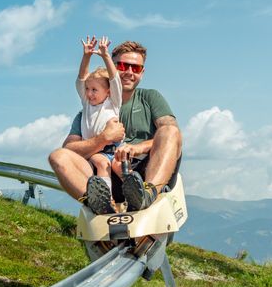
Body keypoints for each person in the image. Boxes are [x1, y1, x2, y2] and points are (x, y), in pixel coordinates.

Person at [48, 40, 182, 215]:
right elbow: (70, 149)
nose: (128, 72)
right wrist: (103, 138)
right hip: (105, 176)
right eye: (122, 65)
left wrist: (136, 148)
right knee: (57, 156)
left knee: (170, 131)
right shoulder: (87, 112)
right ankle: (98, 202)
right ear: (112, 65)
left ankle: (146, 194)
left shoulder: (150, 98)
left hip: (144, 170)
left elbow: (171, 133)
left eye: (135, 68)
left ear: (142, 72)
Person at [74, 35, 123, 214]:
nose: (90, 93)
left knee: (122, 167)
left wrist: (106, 56)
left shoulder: (113, 103)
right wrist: (86, 56)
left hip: (115, 148)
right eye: (88, 89)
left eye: (95, 90)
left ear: (108, 92)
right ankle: (106, 202)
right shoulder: (86, 104)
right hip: (95, 150)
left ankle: (136, 196)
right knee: (102, 164)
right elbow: (81, 78)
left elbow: (115, 79)